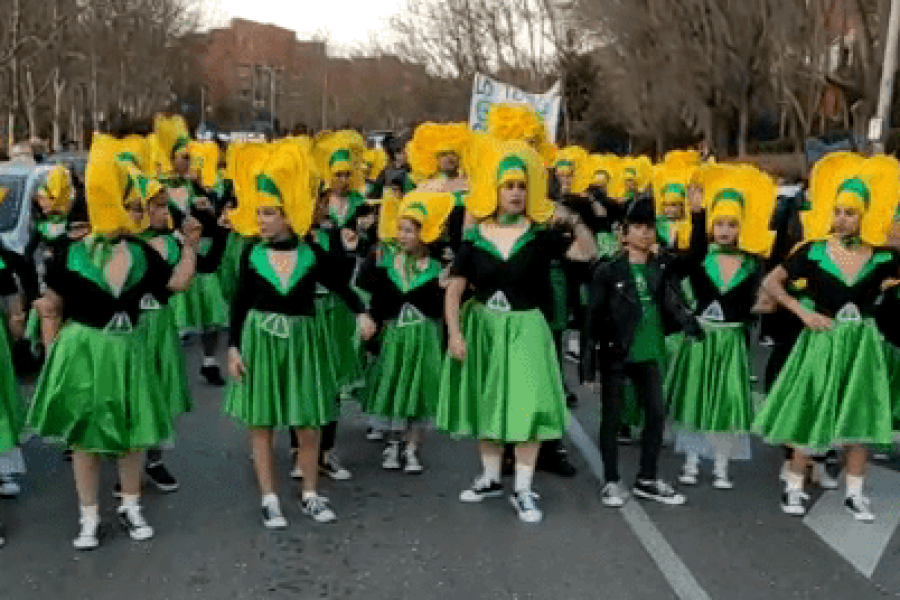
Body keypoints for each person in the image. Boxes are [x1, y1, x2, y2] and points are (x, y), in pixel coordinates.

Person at [27, 134, 198, 550]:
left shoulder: (144, 254)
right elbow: (51, 307)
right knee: (86, 438)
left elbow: (176, 283)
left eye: (139, 207)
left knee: (132, 434)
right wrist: (52, 358)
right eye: (131, 206)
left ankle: (130, 505)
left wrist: (190, 247)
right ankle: (89, 518)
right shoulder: (69, 253)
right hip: (83, 352)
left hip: (129, 350)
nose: (136, 213)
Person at [439, 138, 594, 524]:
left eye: (522, 186)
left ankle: (523, 489)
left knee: (527, 406)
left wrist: (571, 218)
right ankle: (491, 477)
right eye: (508, 185)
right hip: (484, 329)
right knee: (487, 403)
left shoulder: (542, 237)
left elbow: (587, 253)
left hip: (527, 328)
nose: (515, 193)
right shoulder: (474, 239)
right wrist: (455, 334)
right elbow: (455, 290)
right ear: (496, 190)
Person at [225, 142, 374, 527]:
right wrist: (234, 347)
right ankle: (269, 498)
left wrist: (361, 313)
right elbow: (239, 303)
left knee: (308, 423)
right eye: (258, 212)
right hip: (261, 341)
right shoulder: (251, 254)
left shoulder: (312, 253)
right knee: (262, 423)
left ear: (289, 216)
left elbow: (342, 286)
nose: (261, 220)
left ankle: (310, 493)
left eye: (269, 213)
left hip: (304, 342)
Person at [753, 152, 900, 521]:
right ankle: (793, 486)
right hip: (821, 341)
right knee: (810, 411)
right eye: (837, 211)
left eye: (850, 213)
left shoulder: (883, 257)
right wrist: (803, 312)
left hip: (862, 345)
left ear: (865, 215)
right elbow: (772, 282)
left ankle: (855, 493)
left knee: (860, 418)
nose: (842, 219)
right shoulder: (814, 251)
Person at [581, 197, 703, 508]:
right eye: (637, 227)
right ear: (623, 233)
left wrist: (699, 213)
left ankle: (647, 478)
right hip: (617, 354)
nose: (645, 234)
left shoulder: (663, 266)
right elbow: (592, 319)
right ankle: (611, 480)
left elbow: (697, 256)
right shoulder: (607, 270)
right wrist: (588, 367)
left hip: (651, 352)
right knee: (613, 418)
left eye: (650, 228)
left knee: (656, 416)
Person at [665, 164, 777, 489]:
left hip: (731, 341)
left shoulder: (751, 263)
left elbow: (763, 300)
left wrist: (744, 313)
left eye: (732, 224)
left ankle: (722, 465)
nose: (725, 230)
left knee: (726, 402)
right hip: (701, 338)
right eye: (720, 224)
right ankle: (691, 460)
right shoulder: (701, 258)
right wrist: (697, 213)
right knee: (695, 397)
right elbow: (683, 266)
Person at [357, 191, 455, 472]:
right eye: (400, 230)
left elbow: (442, 305)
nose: (402, 236)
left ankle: (412, 449)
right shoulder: (386, 262)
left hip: (424, 337)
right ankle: (392, 443)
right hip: (394, 336)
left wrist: (444, 282)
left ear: (424, 234)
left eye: (409, 231)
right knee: (393, 386)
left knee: (417, 391)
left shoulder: (437, 268)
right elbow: (370, 291)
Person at [155, 114, 229, 386]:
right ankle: (166, 363)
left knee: (210, 314)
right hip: (171, 256)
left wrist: (211, 211)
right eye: (183, 157)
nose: (188, 162)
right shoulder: (158, 190)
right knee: (173, 316)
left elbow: (213, 220)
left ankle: (209, 361)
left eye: (189, 157)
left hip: (198, 254)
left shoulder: (196, 187)